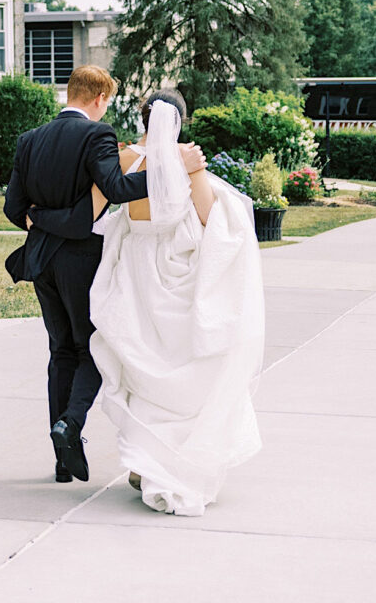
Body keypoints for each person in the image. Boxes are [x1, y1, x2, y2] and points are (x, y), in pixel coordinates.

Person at [3, 66, 207, 483]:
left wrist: (41, 219)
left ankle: (63, 459)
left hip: (41, 260)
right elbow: (116, 190)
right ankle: (70, 424)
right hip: (80, 260)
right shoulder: (96, 135)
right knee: (94, 348)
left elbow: (13, 209)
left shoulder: (30, 140)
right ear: (98, 97)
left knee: (59, 352)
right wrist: (171, 169)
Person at [86, 89, 265, 515]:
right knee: (182, 368)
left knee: (141, 368)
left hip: (135, 274)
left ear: (144, 119)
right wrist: (195, 173)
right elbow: (208, 217)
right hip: (177, 275)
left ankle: (144, 463)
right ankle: (170, 461)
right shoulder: (188, 159)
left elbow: (93, 212)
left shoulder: (126, 160)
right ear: (180, 121)